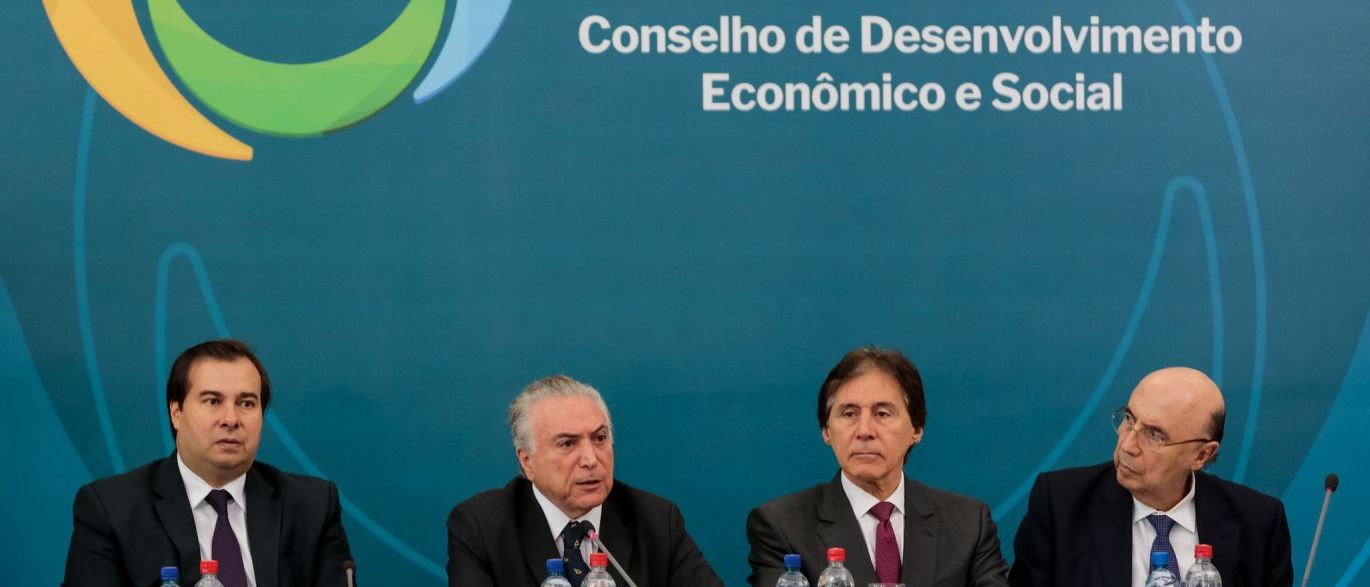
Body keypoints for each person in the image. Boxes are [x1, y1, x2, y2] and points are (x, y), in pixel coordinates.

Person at [62, 339, 355, 587]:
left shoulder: (312, 507)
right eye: (213, 401)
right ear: (176, 412)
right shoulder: (112, 510)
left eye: (246, 403)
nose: (231, 419)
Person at [747, 347, 1010, 586]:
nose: (864, 431)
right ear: (826, 431)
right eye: (849, 414)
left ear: (916, 428)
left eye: (882, 414)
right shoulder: (782, 526)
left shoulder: (969, 524)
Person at [1009, 367, 1293, 587]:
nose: (1127, 446)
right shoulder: (1061, 505)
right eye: (1129, 420)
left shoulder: (1259, 522)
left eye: (1154, 435)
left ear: (1202, 454)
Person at [446, 375, 723, 587]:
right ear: (527, 461)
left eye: (599, 438)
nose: (590, 459)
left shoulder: (656, 520)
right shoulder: (482, 528)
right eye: (568, 443)